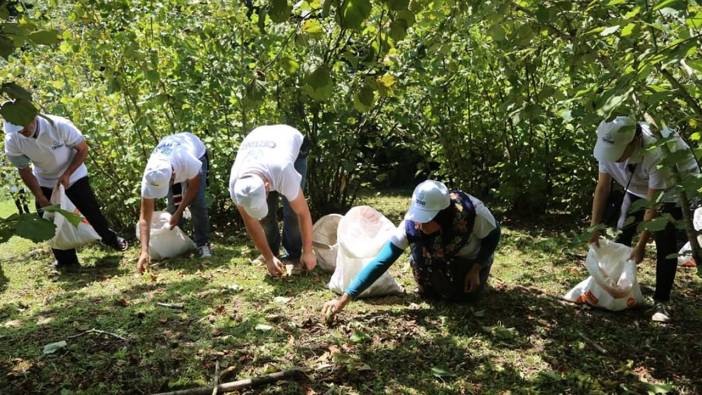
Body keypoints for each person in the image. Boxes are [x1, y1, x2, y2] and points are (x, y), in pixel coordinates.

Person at [322, 180, 501, 320]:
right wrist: (345, 298)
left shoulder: (473, 213)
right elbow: (382, 260)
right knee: (432, 294)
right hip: (436, 260)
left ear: (442, 216)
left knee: (464, 297)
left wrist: (476, 268)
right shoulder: (411, 224)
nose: (418, 224)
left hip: (468, 260)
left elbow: (493, 235)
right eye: (418, 217)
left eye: (426, 219)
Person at [589, 116, 699, 322]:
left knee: (665, 241)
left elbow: (653, 204)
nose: (615, 158)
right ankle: (615, 288)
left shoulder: (656, 152)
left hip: (674, 189)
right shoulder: (607, 146)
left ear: (634, 142)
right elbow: (602, 187)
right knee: (622, 232)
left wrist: (641, 245)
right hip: (637, 185)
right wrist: (593, 228)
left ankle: (662, 301)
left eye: (620, 152)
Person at [3, 114, 127, 272]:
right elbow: (24, 170)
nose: (22, 132)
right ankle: (66, 260)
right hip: (45, 180)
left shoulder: (58, 125)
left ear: (32, 118)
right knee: (48, 221)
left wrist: (68, 173)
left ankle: (110, 239)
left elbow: (82, 149)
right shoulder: (13, 139)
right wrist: (39, 195)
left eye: (23, 128)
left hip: (75, 175)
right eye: (18, 130)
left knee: (90, 211)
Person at [229, 124, 315, 277]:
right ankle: (272, 253)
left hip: (290, 141)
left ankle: (293, 255)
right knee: (266, 217)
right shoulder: (236, 186)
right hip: (260, 140)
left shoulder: (282, 170)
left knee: (292, 212)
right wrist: (268, 257)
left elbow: (303, 212)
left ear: (267, 186)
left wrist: (308, 251)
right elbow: (250, 222)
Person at [137, 132, 211, 273]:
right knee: (173, 203)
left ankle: (203, 243)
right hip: (173, 160)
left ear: (172, 177)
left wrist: (180, 211)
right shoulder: (150, 175)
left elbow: (193, 188)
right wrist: (144, 251)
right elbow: (145, 218)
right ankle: (180, 244)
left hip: (195, 151)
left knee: (197, 203)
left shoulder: (187, 161)